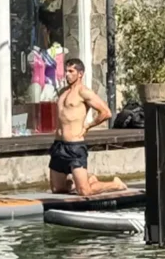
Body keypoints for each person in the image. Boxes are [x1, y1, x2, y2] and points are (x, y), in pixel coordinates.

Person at [48, 58, 128, 196]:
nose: (67, 74)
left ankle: (115, 184)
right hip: (58, 145)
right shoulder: (63, 92)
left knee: (85, 191)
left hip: (74, 146)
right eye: (66, 71)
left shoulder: (84, 92)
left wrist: (88, 126)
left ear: (80, 74)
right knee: (57, 189)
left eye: (71, 71)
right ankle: (85, 179)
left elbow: (106, 112)